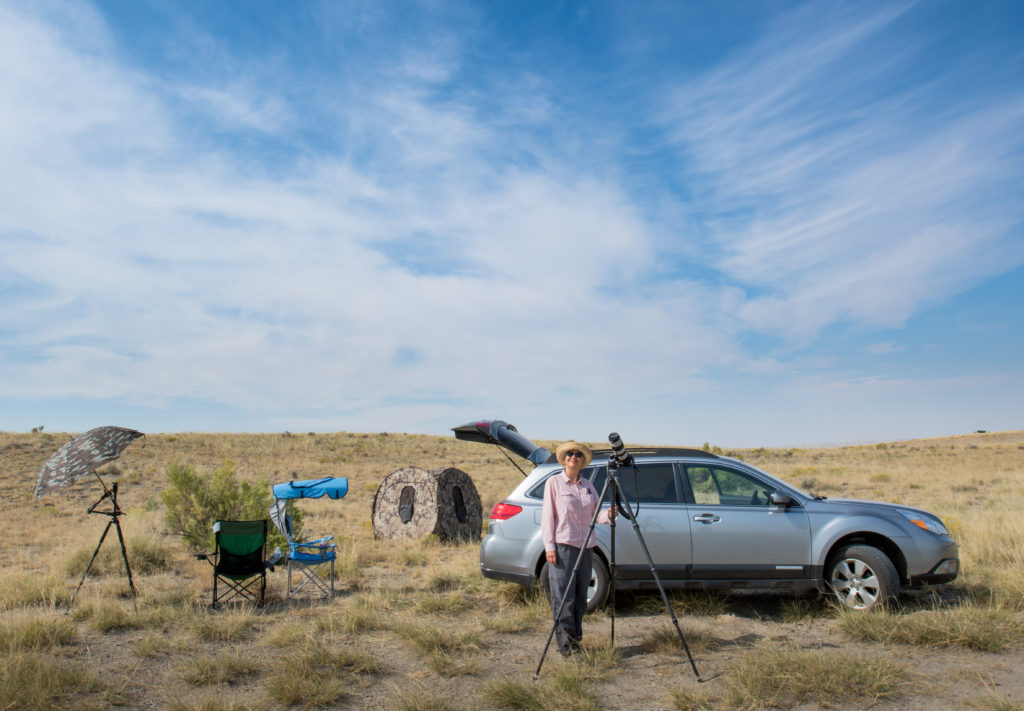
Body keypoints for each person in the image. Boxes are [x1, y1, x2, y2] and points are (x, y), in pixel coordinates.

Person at [541, 441, 616, 656]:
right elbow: (548, 517)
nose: (573, 457)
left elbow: (595, 514)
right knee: (564, 596)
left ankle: (576, 640)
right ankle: (565, 644)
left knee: (580, 596)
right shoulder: (554, 483)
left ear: (582, 461)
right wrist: (549, 546)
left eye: (578, 455)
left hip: (586, 547)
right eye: (570, 454)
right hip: (563, 546)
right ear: (564, 459)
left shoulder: (588, 486)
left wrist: (608, 515)